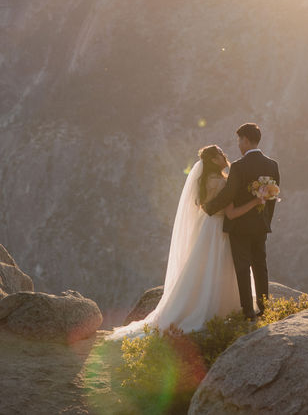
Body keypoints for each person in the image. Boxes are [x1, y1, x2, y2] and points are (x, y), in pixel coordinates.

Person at [107, 144, 265, 339]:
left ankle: (192, 308)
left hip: (207, 230)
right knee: (221, 269)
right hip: (220, 232)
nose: (225, 156)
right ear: (214, 160)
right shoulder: (222, 183)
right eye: (221, 154)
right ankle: (219, 312)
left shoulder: (205, 180)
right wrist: (256, 202)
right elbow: (231, 213)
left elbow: (204, 208)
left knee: (203, 271)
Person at [202, 122, 280, 319]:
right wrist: (265, 220)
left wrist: (209, 207)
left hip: (240, 226)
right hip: (260, 225)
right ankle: (264, 308)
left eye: (239, 140)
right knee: (261, 265)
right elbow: (272, 199)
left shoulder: (238, 166)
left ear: (245, 140)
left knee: (243, 267)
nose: (238, 145)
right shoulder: (272, 165)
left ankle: (248, 311)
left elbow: (229, 194)